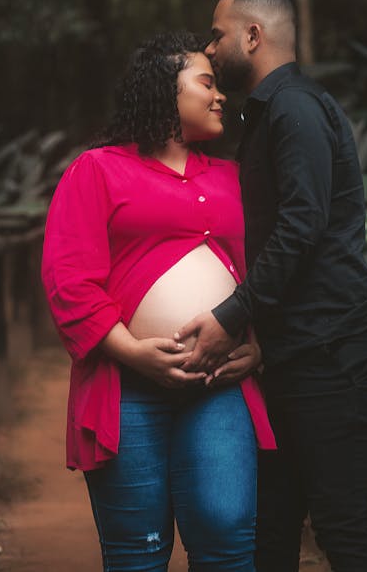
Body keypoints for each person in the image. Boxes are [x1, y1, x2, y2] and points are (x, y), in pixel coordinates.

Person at [175, 0, 367, 572]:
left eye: (218, 33)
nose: (211, 43)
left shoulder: (295, 109)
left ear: (253, 37)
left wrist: (231, 318)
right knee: (271, 529)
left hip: (339, 354)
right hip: (299, 356)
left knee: (342, 529)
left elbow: (302, 228)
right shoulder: (267, 115)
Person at [41, 30, 276, 572]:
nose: (220, 96)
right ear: (165, 91)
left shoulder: (234, 177)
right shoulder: (97, 169)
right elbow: (68, 277)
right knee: (137, 546)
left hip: (221, 384)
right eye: (206, 83)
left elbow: (266, 271)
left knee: (228, 534)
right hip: (126, 386)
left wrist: (256, 345)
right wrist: (132, 351)